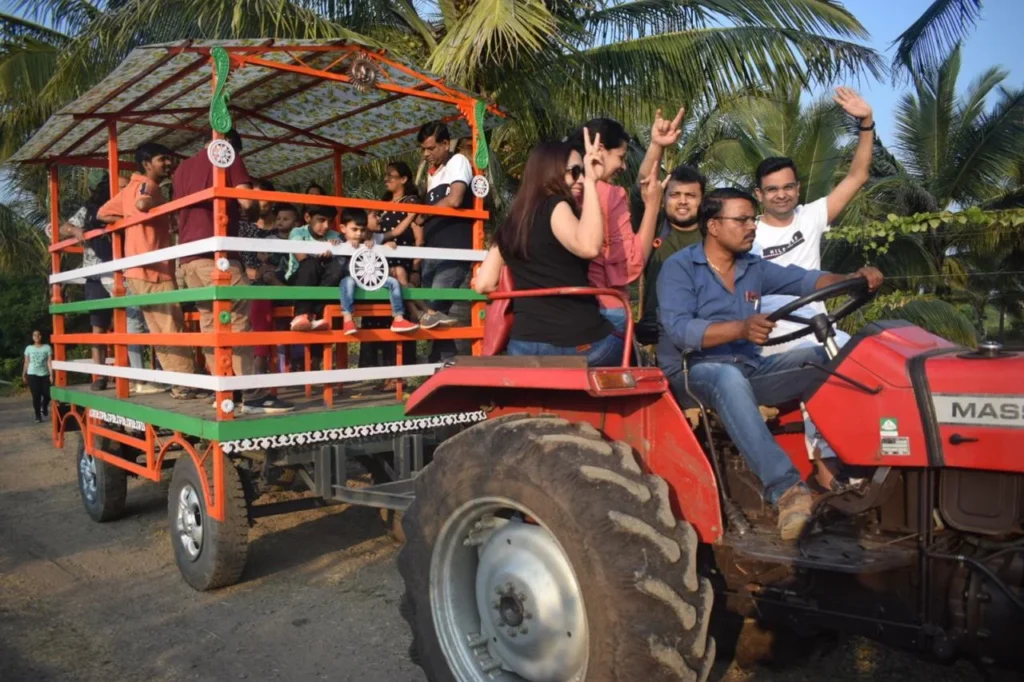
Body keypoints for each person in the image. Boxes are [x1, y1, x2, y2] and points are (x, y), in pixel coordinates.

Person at [656, 187, 883, 540]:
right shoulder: (680, 267)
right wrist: (741, 328)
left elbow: (805, 280)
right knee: (726, 377)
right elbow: (681, 330)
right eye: (742, 219)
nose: (752, 226)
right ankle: (787, 490)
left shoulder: (753, 267)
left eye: (753, 219)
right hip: (690, 374)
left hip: (747, 370)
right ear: (713, 225)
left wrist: (851, 280)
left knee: (826, 359)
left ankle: (860, 468)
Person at [752, 87, 874, 489]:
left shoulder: (812, 216)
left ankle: (877, 453)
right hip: (776, 334)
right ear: (759, 195)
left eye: (787, 187)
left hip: (822, 321)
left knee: (870, 360)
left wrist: (865, 123)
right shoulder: (747, 234)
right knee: (821, 364)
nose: (781, 194)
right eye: (772, 189)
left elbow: (857, 176)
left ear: (797, 188)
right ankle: (825, 466)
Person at [475, 133, 653, 365]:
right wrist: (592, 183)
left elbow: (484, 284)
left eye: (583, 172)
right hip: (579, 343)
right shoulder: (557, 206)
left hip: (523, 345)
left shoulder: (511, 222)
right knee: (635, 352)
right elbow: (589, 247)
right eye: (574, 172)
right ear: (549, 172)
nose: (581, 178)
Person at [174, 129, 293, 413]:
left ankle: (224, 389)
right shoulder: (225, 154)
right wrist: (249, 214)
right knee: (239, 319)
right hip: (218, 255)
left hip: (188, 257)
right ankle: (252, 394)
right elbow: (247, 201)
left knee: (210, 323)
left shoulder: (182, 169)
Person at [99, 142, 197, 400]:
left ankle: (180, 384)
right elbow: (143, 202)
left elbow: (103, 213)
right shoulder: (148, 185)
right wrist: (146, 210)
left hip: (137, 269)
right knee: (171, 327)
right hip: (154, 270)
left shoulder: (129, 188)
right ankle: (185, 384)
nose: (168, 163)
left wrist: (129, 221)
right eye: (162, 159)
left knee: (160, 328)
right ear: (146, 164)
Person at [568, 116, 665, 336]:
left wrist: (656, 145)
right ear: (600, 149)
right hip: (604, 309)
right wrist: (653, 206)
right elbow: (632, 264)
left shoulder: (552, 191)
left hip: (555, 311)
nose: (623, 166)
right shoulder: (608, 194)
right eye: (620, 157)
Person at [416, 121, 474, 362]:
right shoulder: (434, 174)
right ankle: (442, 361)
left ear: (445, 144)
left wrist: (424, 214)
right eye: (423, 149)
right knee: (436, 311)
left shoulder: (457, 161)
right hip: (432, 250)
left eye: (431, 148)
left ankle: (447, 362)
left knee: (435, 307)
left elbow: (455, 199)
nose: (426, 154)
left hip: (452, 249)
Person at [637, 164, 706, 345]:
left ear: (702, 200)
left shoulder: (713, 233)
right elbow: (640, 188)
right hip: (658, 331)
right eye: (675, 195)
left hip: (702, 329)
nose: (682, 201)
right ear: (663, 198)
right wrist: (656, 148)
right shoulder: (653, 225)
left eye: (690, 195)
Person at [337, 209, 419, 335]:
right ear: (343, 228)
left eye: (362, 230)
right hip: (353, 280)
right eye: (355, 230)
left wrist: (379, 247)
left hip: (372, 279)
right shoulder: (339, 240)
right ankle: (348, 320)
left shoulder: (370, 241)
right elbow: (334, 252)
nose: (359, 234)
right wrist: (341, 244)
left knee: (393, 282)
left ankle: (398, 318)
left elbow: (394, 233)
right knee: (347, 281)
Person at [239, 178, 282, 375]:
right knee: (257, 298)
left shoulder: (285, 224)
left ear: (272, 199)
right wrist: (253, 273)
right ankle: (258, 360)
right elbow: (239, 259)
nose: (255, 203)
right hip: (250, 282)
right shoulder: (243, 227)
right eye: (252, 198)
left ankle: (261, 362)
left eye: (260, 198)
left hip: (281, 279)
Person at [285, 205, 342, 331]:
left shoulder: (335, 236)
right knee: (310, 264)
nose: (326, 226)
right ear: (307, 217)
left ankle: (316, 315)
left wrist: (337, 250)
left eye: (330, 222)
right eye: (321, 220)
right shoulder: (297, 233)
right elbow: (302, 259)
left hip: (322, 281)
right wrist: (321, 258)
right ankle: (301, 315)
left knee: (336, 269)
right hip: (299, 279)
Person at [23, 330, 53, 423]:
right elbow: (26, 362)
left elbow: (49, 362)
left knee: (48, 394)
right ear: (32, 337)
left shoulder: (47, 347)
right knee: (36, 396)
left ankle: (44, 405)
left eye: (38, 334)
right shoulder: (29, 348)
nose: (36, 336)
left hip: (45, 374)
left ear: (41, 336)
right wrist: (24, 374)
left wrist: (51, 375)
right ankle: (38, 416)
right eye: (34, 335)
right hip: (32, 374)